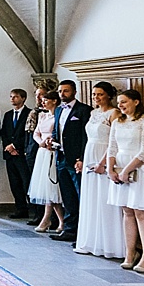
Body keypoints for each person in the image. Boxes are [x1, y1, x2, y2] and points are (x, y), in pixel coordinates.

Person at [106, 89, 144, 273]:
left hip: (140, 168)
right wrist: (110, 168)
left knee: (141, 212)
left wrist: (127, 170)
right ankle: (130, 252)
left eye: (124, 102)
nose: (120, 105)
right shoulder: (117, 122)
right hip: (120, 167)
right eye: (119, 102)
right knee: (126, 211)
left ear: (136, 102)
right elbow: (112, 147)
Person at [74, 82, 126, 259]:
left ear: (109, 96)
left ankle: (110, 244)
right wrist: (81, 159)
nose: (96, 97)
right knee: (91, 198)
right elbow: (87, 138)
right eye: (94, 94)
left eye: (100, 94)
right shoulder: (93, 113)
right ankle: (91, 240)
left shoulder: (114, 114)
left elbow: (114, 141)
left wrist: (104, 163)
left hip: (104, 155)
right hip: (90, 152)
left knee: (104, 198)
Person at [51, 79, 92, 241]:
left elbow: (85, 136)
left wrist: (82, 158)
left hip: (75, 159)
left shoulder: (84, 110)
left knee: (80, 194)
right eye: (60, 91)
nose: (62, 94)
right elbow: (58, 131)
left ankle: (83, 231)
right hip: (60, 157)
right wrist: (52, 140)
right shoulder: (58, 110)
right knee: (67, 195)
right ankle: (69, 229)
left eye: (66, 91)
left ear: (74, 92)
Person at [27, 91, 64, 234]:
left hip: (54, 152)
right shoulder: (43, 115)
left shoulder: (58, 116)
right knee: (47, 189)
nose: (43, 102)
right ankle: (57, 220)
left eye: (46, 100)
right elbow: (36, 133)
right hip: (43, 151)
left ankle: (49, 219)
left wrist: (52, 142)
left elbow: (60, 132)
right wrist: (41, 142)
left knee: (52, 188)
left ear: (54, 101)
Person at [0, 90, 32, 218]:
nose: (12, 99)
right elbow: (4, 133)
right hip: (10, 154)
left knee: (26, 182)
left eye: (16, 97)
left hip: (21, 153)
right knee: (14, 183)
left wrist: (15, 146)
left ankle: (33, 209)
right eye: (11, 97)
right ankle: (20, 208)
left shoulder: (29, 113)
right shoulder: (8, 115)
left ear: (23, 98)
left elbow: (27, 133)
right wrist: (8, 147)